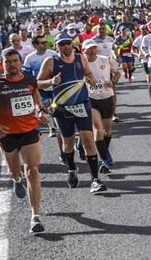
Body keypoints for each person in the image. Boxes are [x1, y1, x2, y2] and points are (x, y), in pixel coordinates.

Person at [0, 49, 48, 233]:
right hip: (7, 134)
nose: (12, 64)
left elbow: (35, 96)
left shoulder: (29, 80)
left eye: (15, 61)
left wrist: (39, 110)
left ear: (20, 62)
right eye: (8, 62)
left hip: (29, 131)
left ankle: (35, 217)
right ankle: (16, 179)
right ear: (2, 64)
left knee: (32, 171)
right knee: (14, 171)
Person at [38, 34, 106, 193]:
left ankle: (95, 180)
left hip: (82, 106)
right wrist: (51, 81)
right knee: (68, 144)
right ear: (56, 47)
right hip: (63, 108)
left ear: (72, 44)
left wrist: (91, 79)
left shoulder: (80, 58)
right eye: (62, 44)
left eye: (68, 43)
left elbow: (88, 73)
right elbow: (37, 82)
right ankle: (71, 168)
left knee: (88, 141)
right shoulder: (51, 62)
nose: (66, 47)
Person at [82, 40, 119, 172]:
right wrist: (85, 80)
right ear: (84, 50)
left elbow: (117, 73)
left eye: (94, 48)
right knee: (98, 130)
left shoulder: (104, 60)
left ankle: (104, 153)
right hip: (91, 99)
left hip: (106, 97)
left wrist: (112, 82)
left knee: (107, 131)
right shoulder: (81, 63)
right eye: (89, 49)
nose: (92, 51)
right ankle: (105, 159)